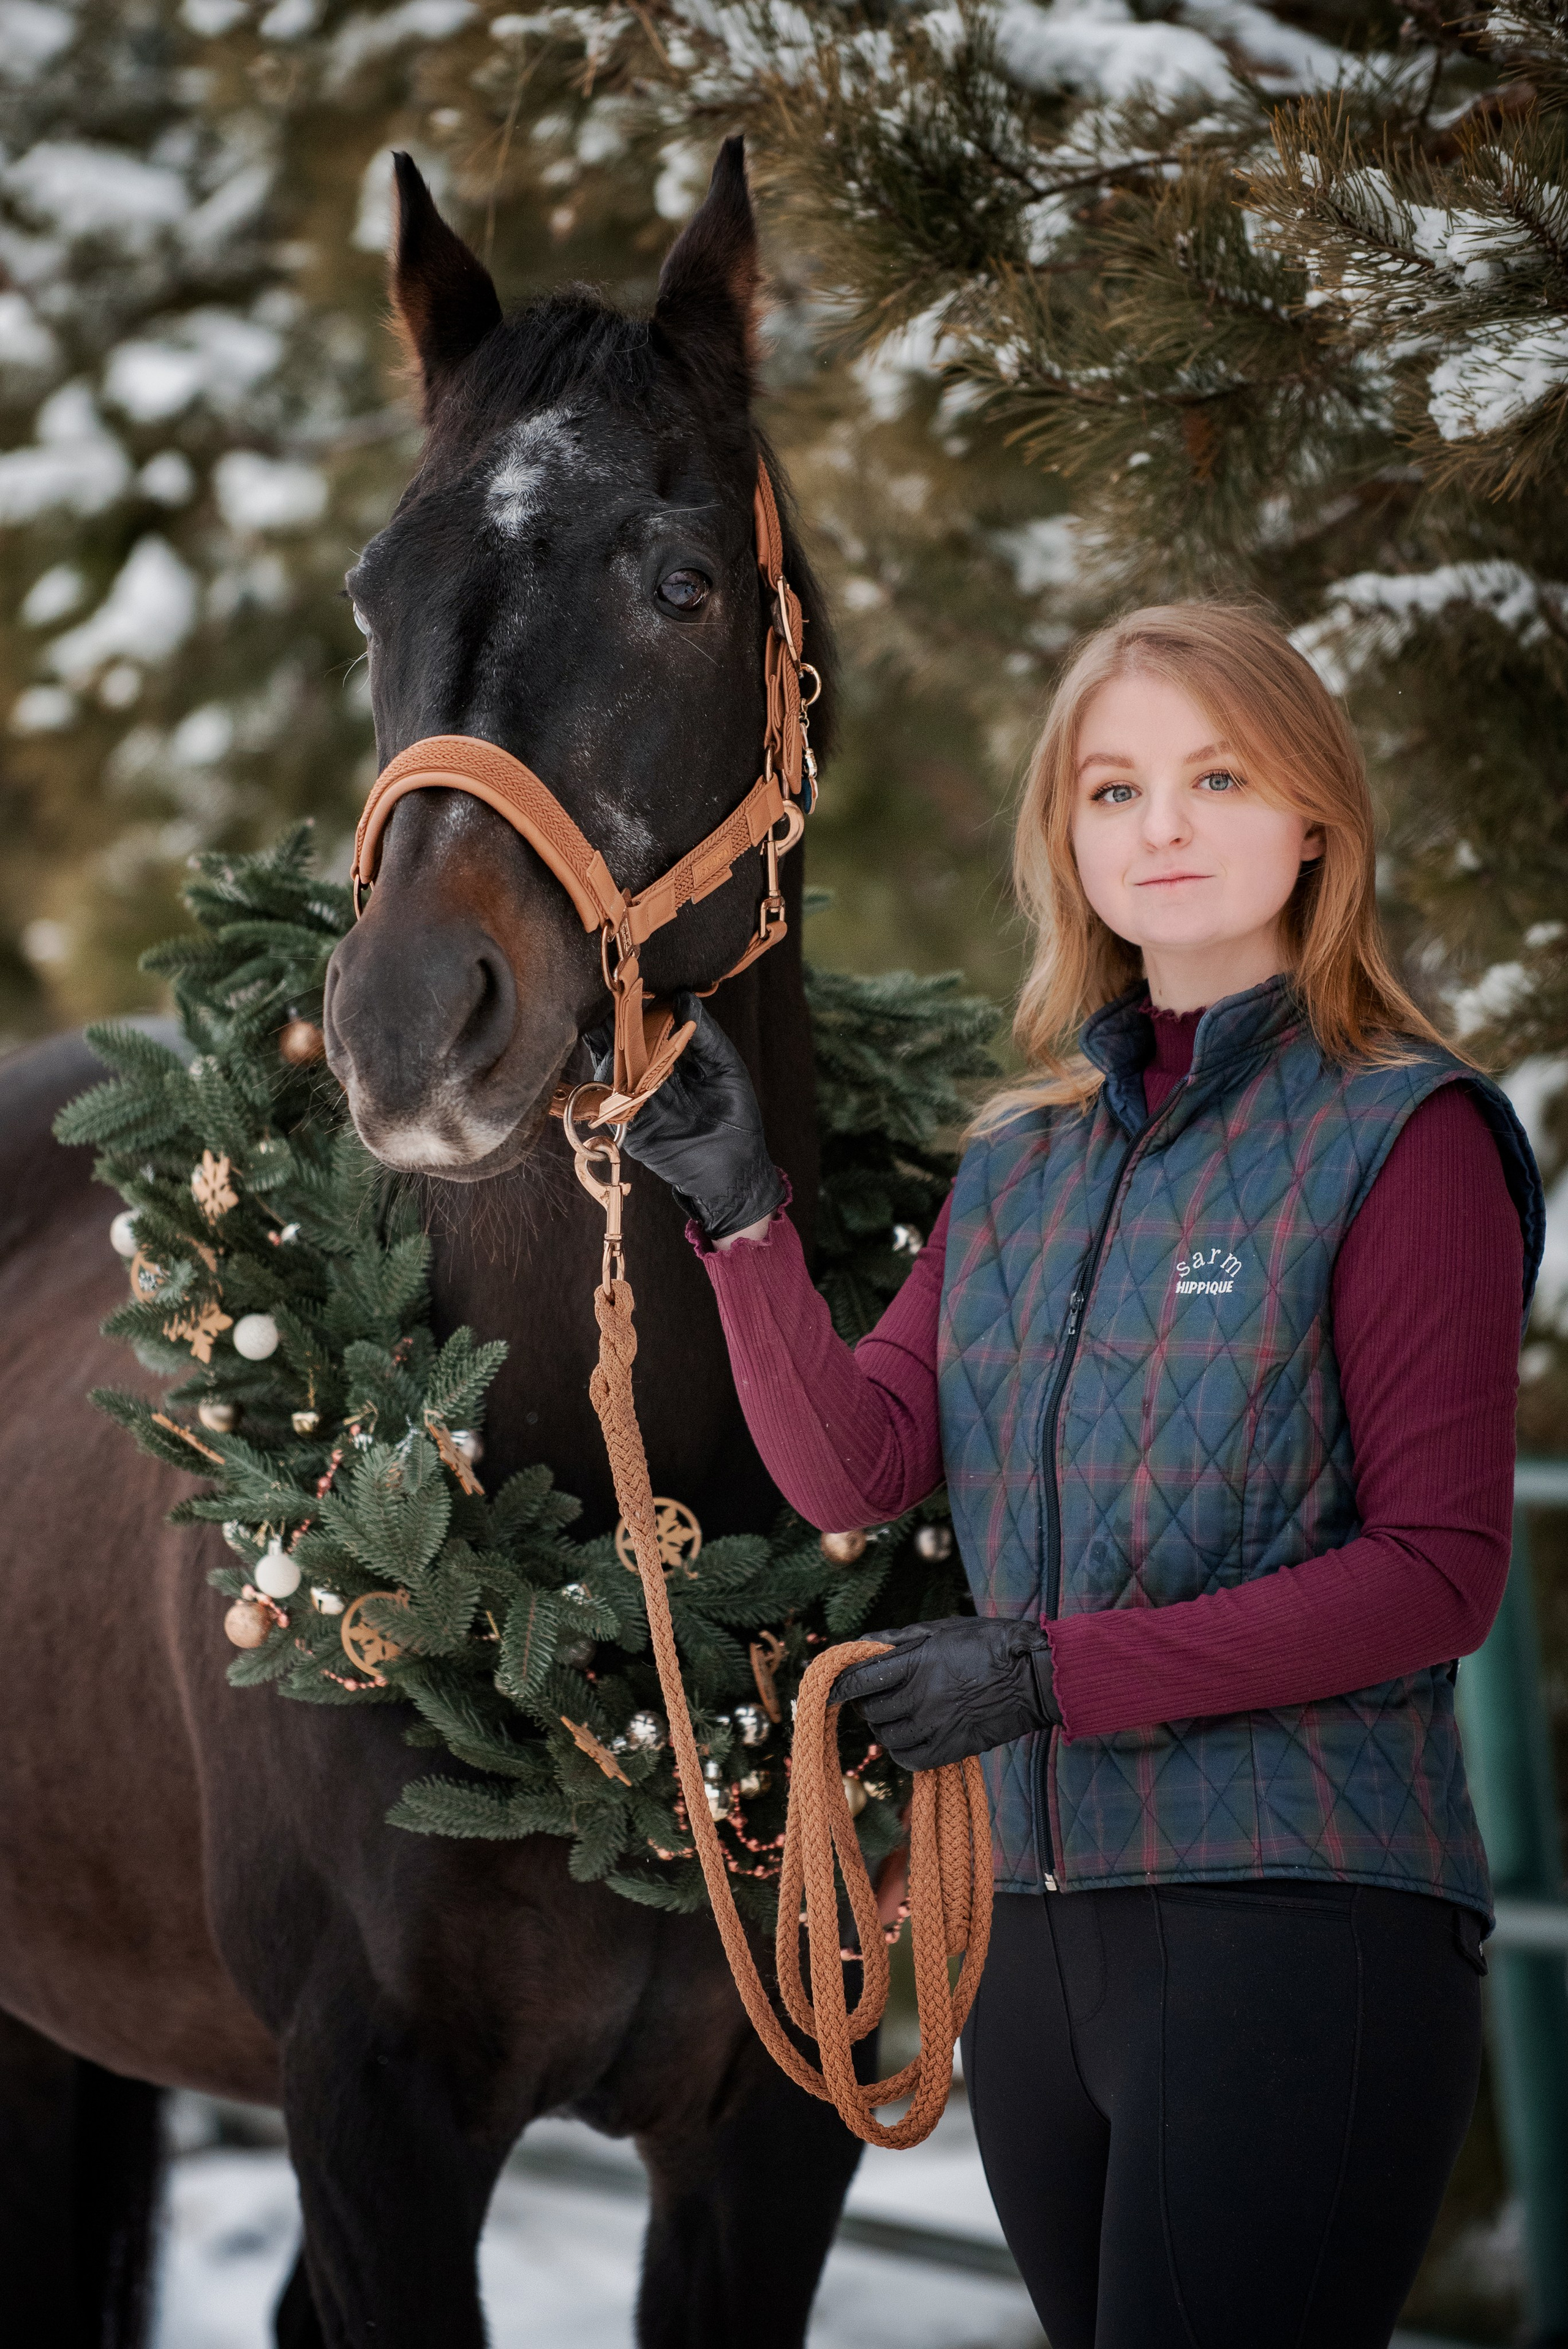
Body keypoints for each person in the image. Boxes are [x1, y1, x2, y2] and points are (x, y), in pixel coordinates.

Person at [597, 603, 1545, 2349]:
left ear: (1315, 817)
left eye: (1214, 775)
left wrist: (1047, 1672)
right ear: (1068, 836)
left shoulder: (1401, 1138)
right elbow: (855, 1465)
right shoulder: (1025, 1163)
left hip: (1297, 1919)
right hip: (1037, 1932)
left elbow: (1437, 1574)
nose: (1161, 825)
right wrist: (740, 1210)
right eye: (1113, 788)